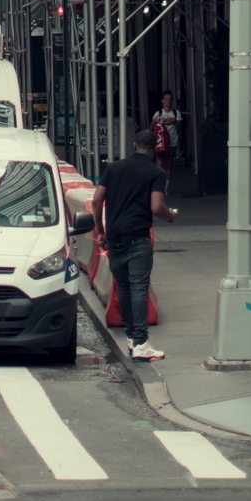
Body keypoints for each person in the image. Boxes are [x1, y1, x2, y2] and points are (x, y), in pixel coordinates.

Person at [92, 129, 178, 362]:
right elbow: (156, 206)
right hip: (137, 239)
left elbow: (97, 200)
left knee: (125, 289)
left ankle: (132, 338)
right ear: (154, 149)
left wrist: (101, 232)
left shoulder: (114, 168)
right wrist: (170, 215)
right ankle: (140, 343)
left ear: (134, 145)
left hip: (115, 240)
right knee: (139, 289)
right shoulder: (156, 172)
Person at [151, 90, 181, 171]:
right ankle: (159, 182)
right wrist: (154, 121)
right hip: (161, 142)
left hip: (172, 142)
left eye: (170, 99)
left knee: (168, 164)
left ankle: (166, 183)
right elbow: (151, 127)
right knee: (159, 163)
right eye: (166, 99)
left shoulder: (176, 113)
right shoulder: (158, 113)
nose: (168, 101)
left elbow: (180, 127)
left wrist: (174, 121)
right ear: (162, 101)